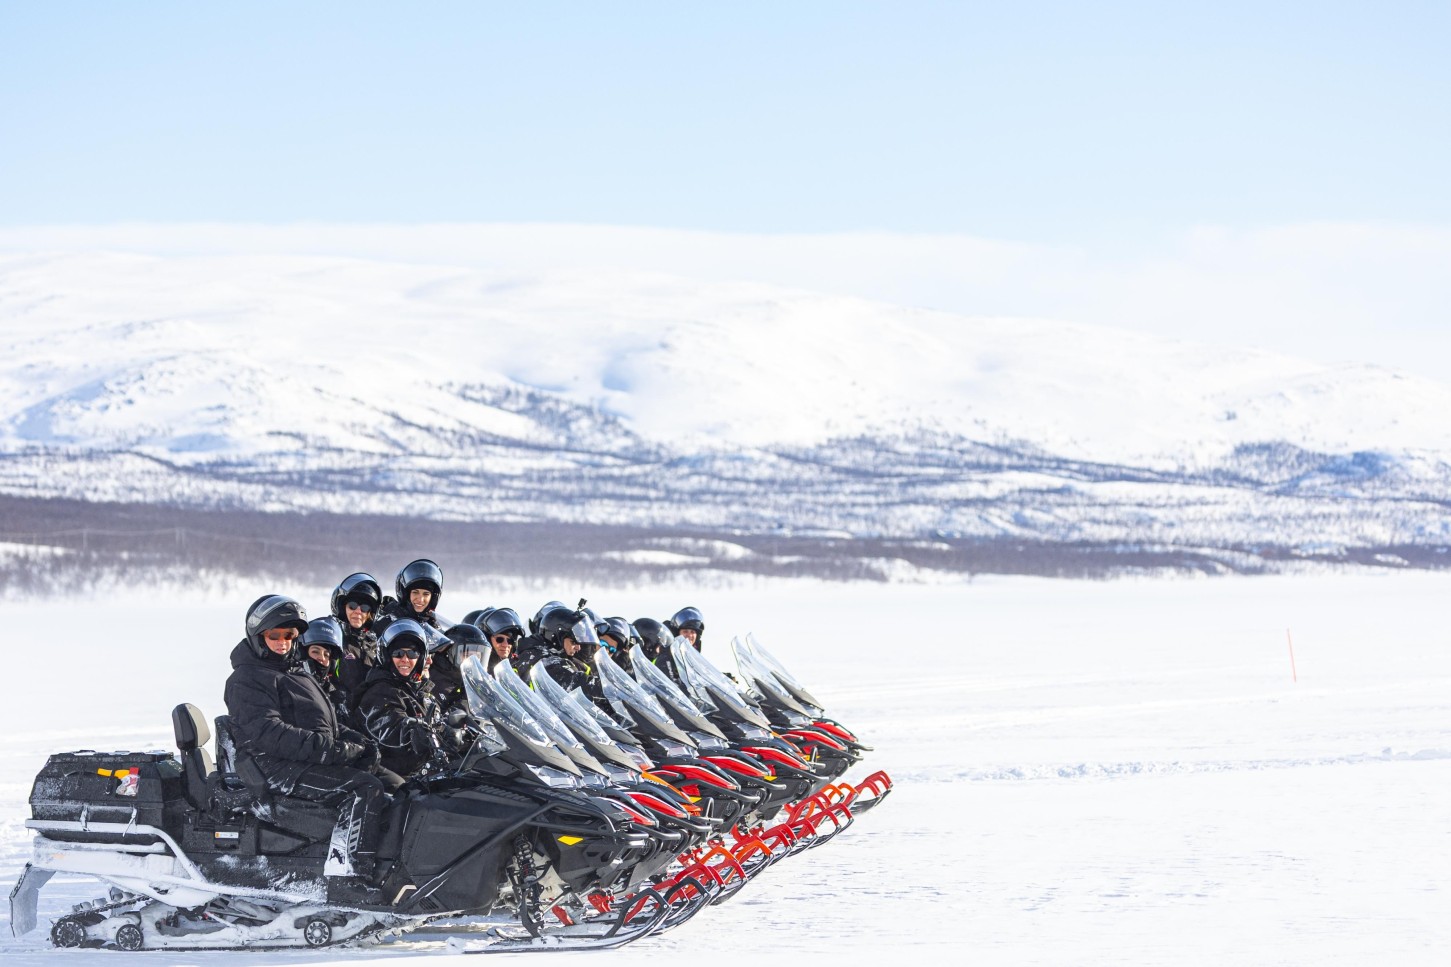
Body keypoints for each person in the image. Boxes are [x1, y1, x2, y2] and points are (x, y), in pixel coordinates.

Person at [223, 595, 386, 886]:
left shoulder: (293, 670)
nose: (283, 641)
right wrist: (329, 752)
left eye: (290, 635)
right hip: (272, 767)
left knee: (385, 784)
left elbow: (324, 721)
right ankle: (349, 876)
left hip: (299, 759)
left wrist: (359, 743)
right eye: (275, 635)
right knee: (364, 788)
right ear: (259, 636)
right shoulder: (247, 678)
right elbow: (269, 733)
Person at [356, 619, 445, 781]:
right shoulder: (380, 690)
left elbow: (436, 725)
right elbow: (388, 727)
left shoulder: (418, 691)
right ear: (387, 656)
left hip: (424, 770)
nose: (405, 659)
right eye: (398, 653)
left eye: (412, 654)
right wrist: (409, 730)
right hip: (392, 773)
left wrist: (452, 731)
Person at [331, 573, 382, 702]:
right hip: (339, 709)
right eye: (352, 606)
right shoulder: (333, 638)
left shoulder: (375, 644)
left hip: (368, 710)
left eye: (364, 608)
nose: (358, 611)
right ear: (343, 608)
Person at [379, 560, 444, 629]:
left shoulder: (431, 622)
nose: (420, 599)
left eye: (426, 594)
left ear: (433, 597)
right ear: (405, 594)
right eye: (415, 592)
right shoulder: (389, 619)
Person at [479, 607, 524, 673]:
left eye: (509, 641)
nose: (506, 644)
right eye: (499, 639)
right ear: (487, 640)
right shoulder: (480, 669)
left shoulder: (518, 665)